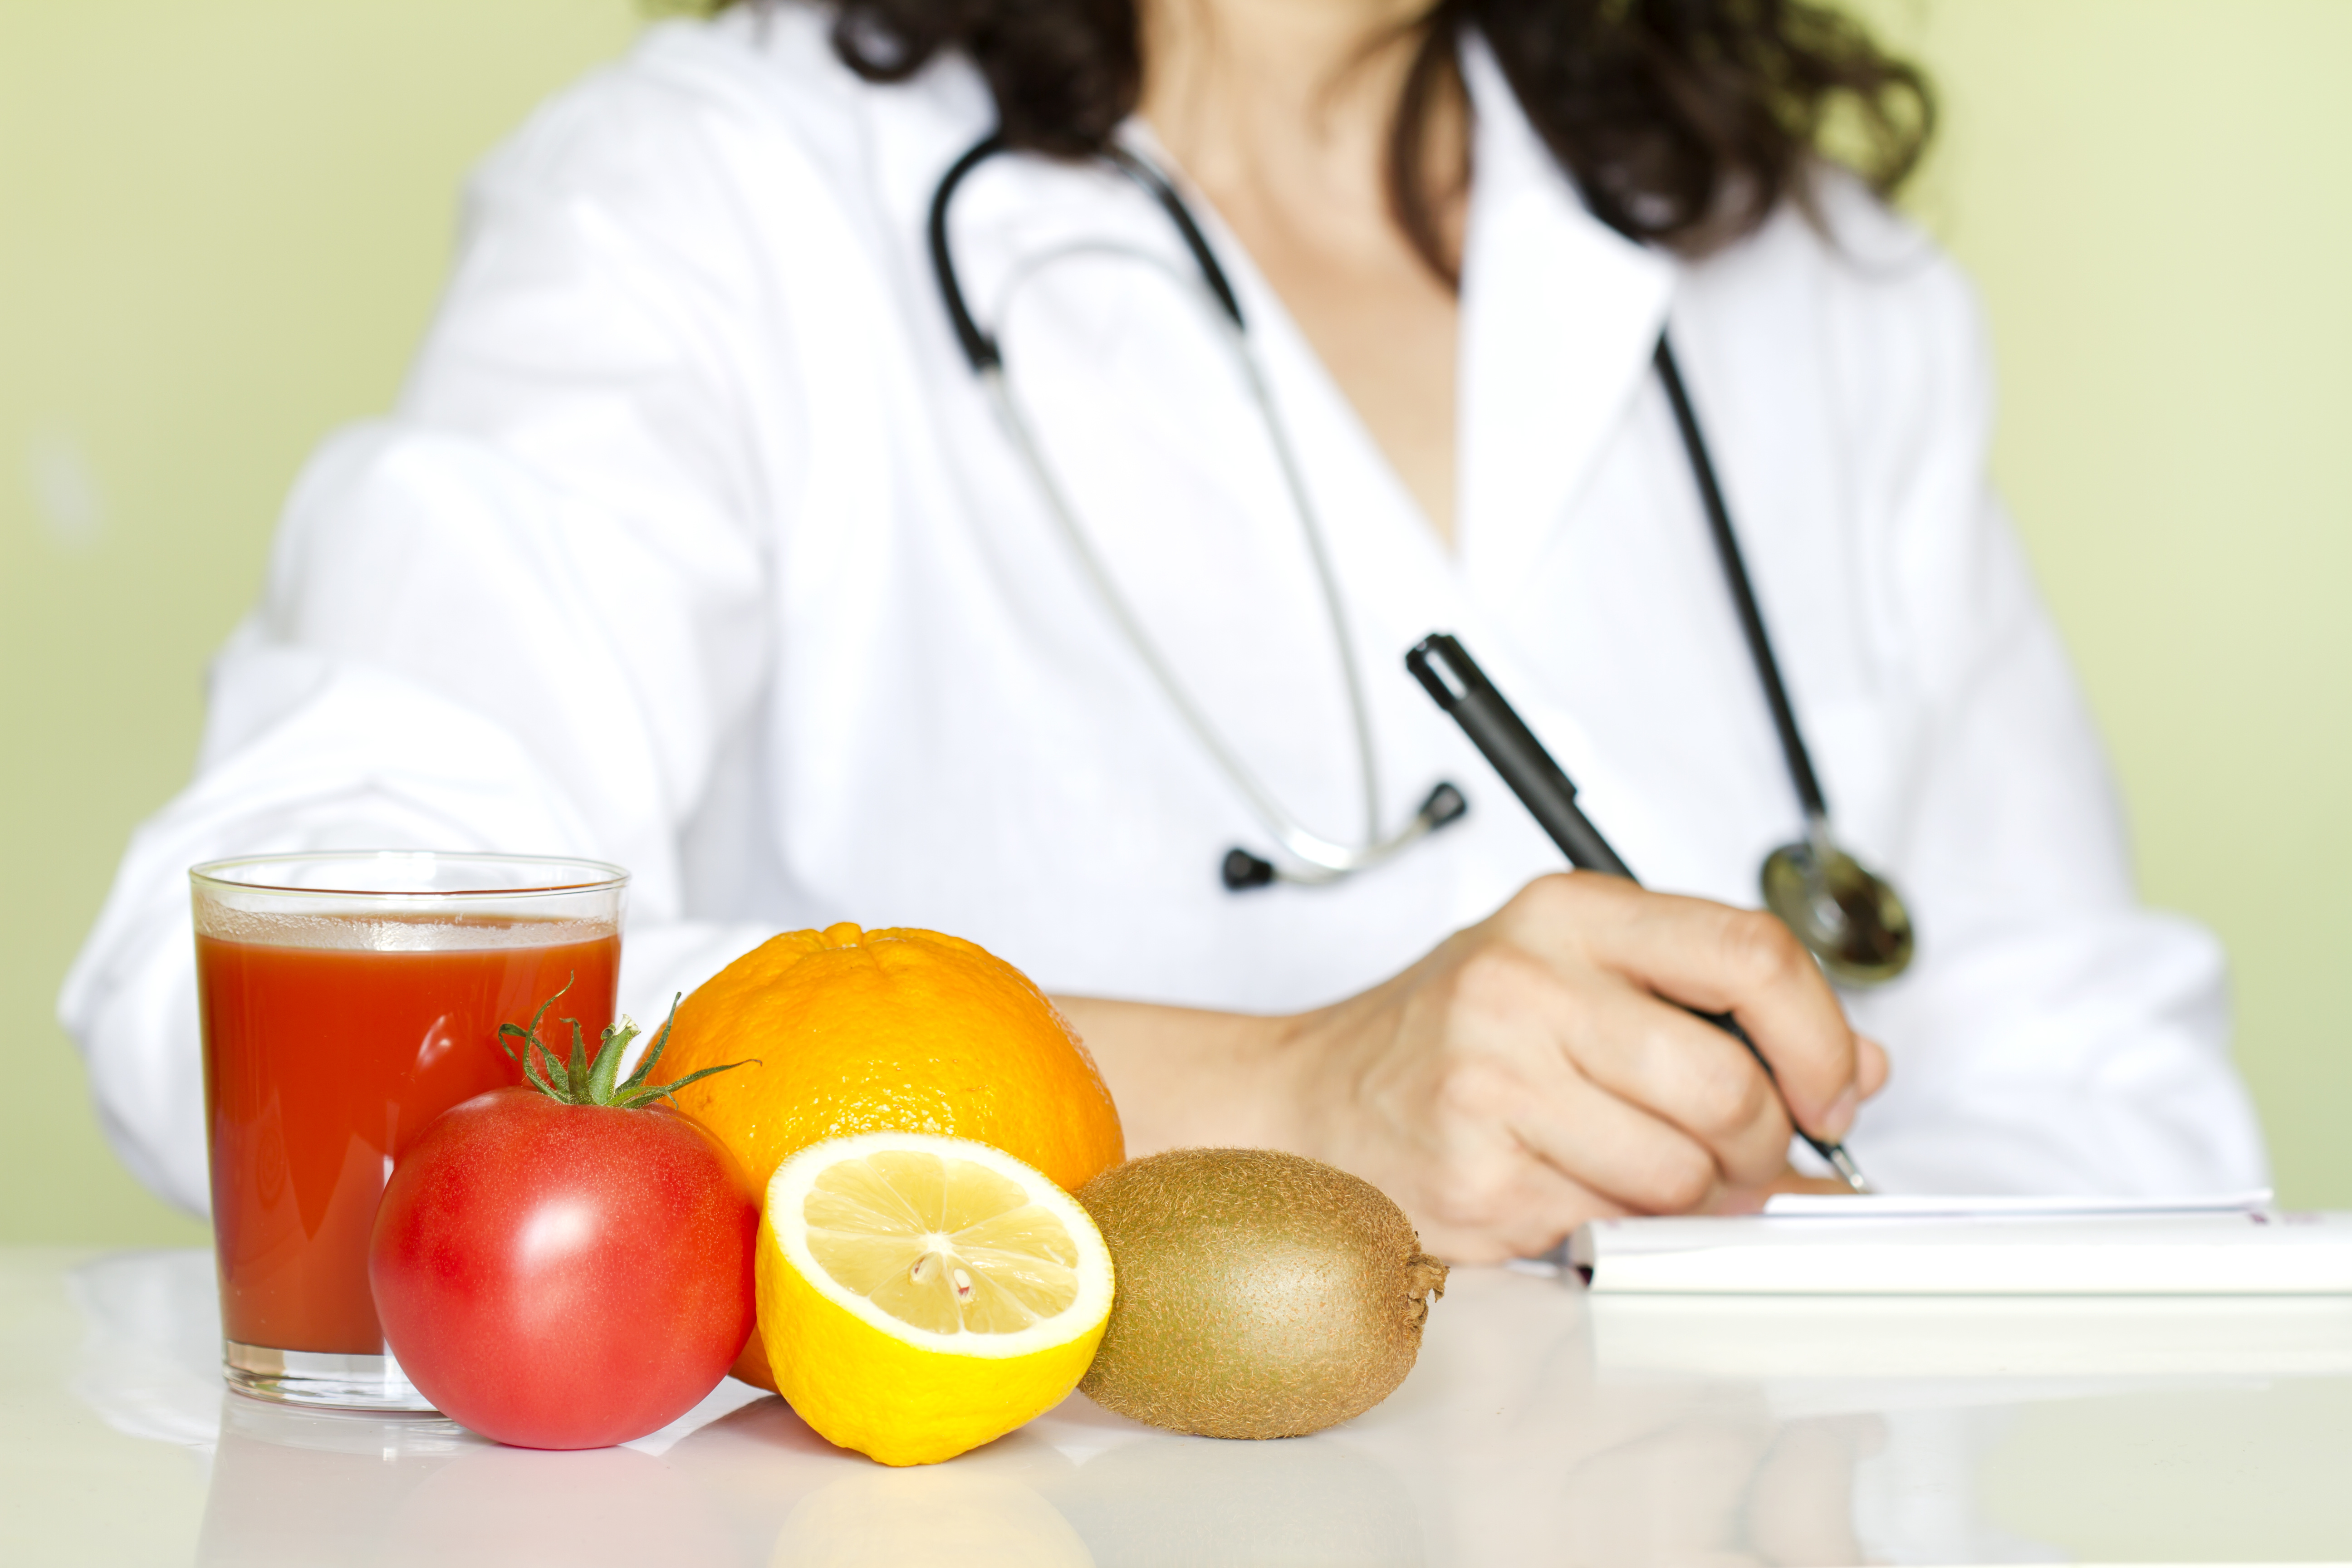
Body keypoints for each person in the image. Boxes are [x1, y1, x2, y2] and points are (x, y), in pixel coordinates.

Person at [63, 0, 2266, 1263]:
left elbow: (2132, 1127)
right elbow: (259, 999)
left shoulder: (1819, 291)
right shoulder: (720, 203)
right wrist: (1292, 1094)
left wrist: (1764, 1274)